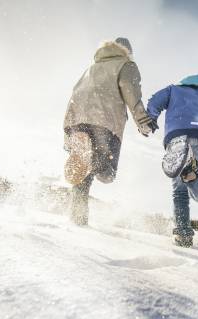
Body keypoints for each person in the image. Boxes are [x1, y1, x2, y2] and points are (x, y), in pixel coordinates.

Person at [63, 37, 157, 226]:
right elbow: (131, 92)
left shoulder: (92, 67)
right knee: (107, 173)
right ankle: (90, 161)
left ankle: (77, 218)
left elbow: (75, 92)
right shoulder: (126, 64)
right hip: (104, 120)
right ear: (127, 51)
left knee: (82, 174)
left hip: (77, 118)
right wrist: (143, 122)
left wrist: (68, 131)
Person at [147, 74, 198, 247]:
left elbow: (155, 101)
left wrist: (151, 117)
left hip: (177, 138)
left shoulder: (173, 90)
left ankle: (183, 235)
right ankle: (190, 171)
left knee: (179, 193)